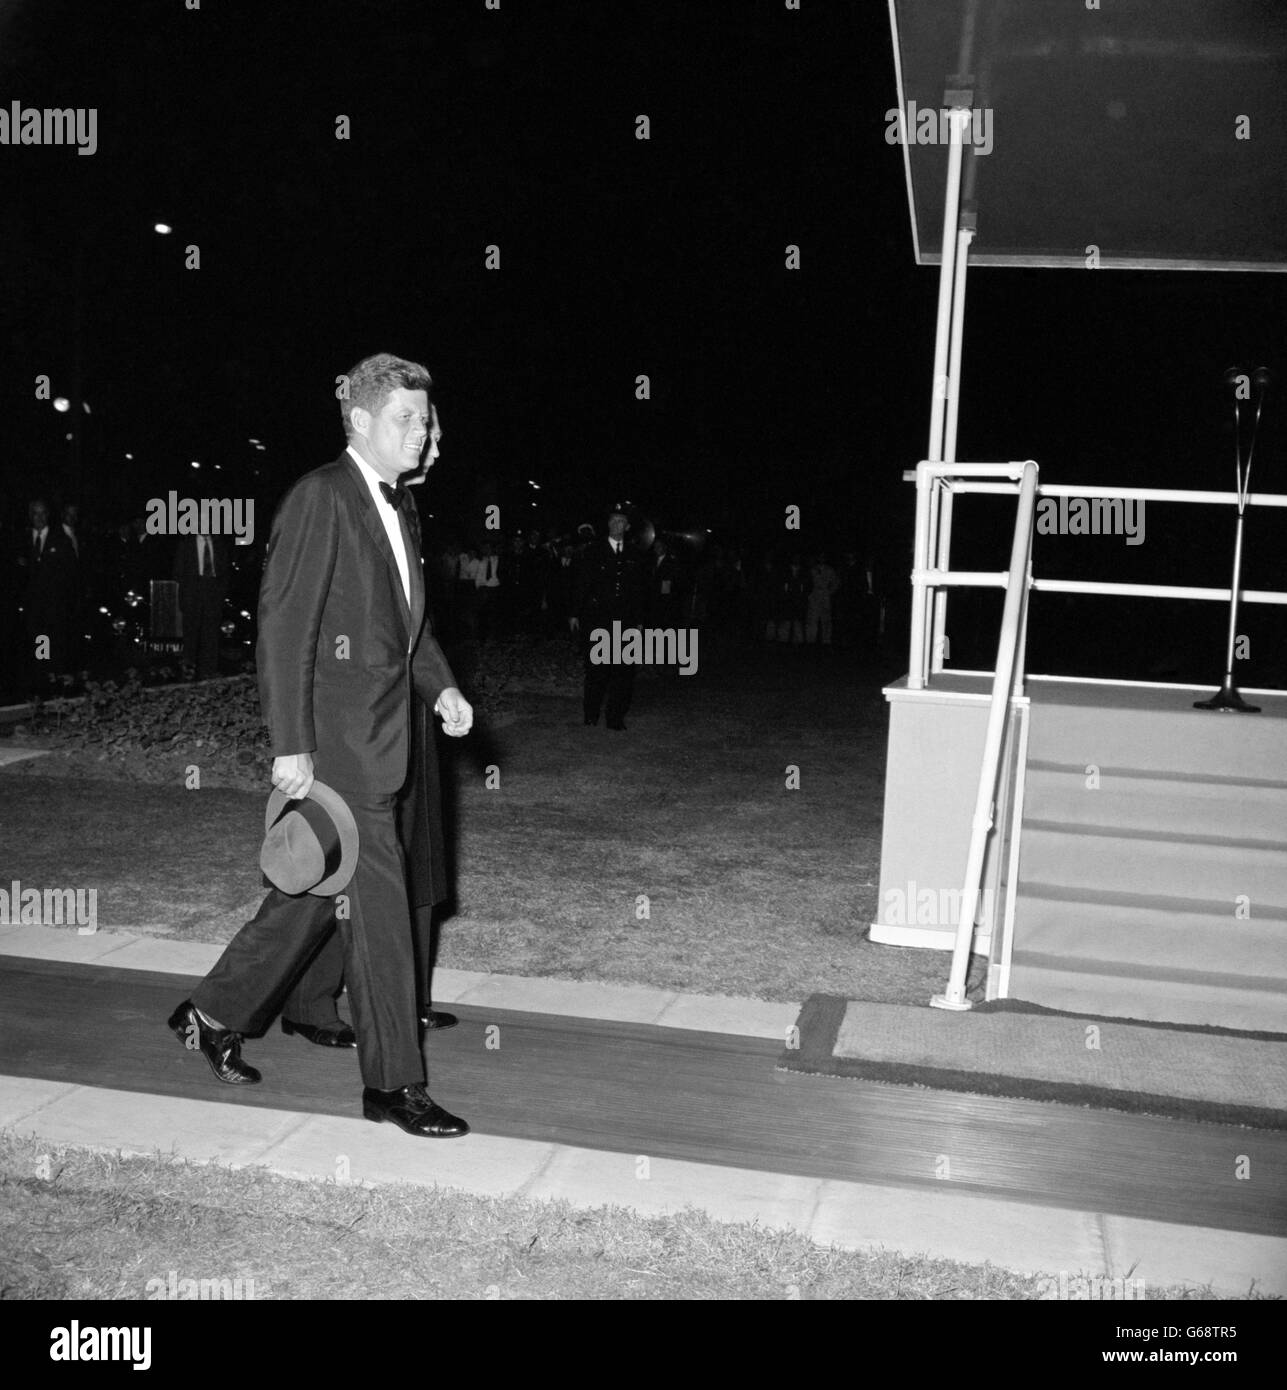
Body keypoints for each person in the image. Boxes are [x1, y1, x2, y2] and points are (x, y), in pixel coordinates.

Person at [168, 353, 474, 1139]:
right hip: (338, 750)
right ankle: (393, 1085)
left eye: (425, 417)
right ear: (362, 421)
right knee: (379, 917)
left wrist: (439, 688)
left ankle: (208, 1013)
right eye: (407, 418)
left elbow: (410, 632)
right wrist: (291, 746)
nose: (422, 431)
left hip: (389, 740)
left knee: (309, 895)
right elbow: (283, 629)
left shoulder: (398, 507)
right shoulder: (319, 498)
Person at [573, 508, 648, 729]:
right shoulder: (593, 551)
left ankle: (615, 717)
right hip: (598, 617)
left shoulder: (636, 554)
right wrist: (574, 612)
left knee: (623, 671)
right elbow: (582, 583)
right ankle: (591, 714)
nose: (617, 524)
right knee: (596, 669)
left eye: (621, 521)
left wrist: (641, 619)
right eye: (613, 520)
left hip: (625, 619)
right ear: (608, 525)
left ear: (627, 527)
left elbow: (641, 590)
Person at [173, 529, 232, 679]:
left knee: (211, 631)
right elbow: (178, 570)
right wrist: (190, 587)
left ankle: (209, 669)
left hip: (213, 590)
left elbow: (225, 569)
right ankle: (189, 668)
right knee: (191, 631)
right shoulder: (186, 543)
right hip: (193, 591)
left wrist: (220, 590)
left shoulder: (219, 543)